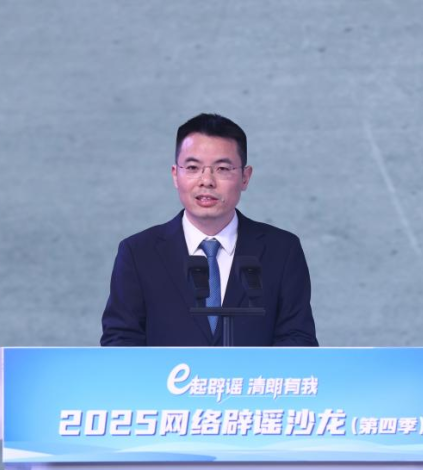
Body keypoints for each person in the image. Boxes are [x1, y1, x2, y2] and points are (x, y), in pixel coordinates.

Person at [100, 113, 318, 347]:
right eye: (193, 167)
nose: (206, 181)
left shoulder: (282, 250)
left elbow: (298, 340)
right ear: (175, 175)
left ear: (245, 177)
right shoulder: (138, 253)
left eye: (222, 168)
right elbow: (120, 341)